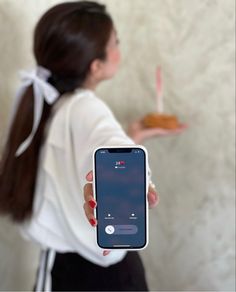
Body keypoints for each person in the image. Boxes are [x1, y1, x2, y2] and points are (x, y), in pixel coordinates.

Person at [0, 1, 163, 291]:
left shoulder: (52, 103)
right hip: (98, 276)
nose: (119, 49)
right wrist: (123, 164)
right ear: (96, 65)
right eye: (115, 42)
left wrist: (130, 139)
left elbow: (93, 146)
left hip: (71, 270)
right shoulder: (84, 107)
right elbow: (106, 142)